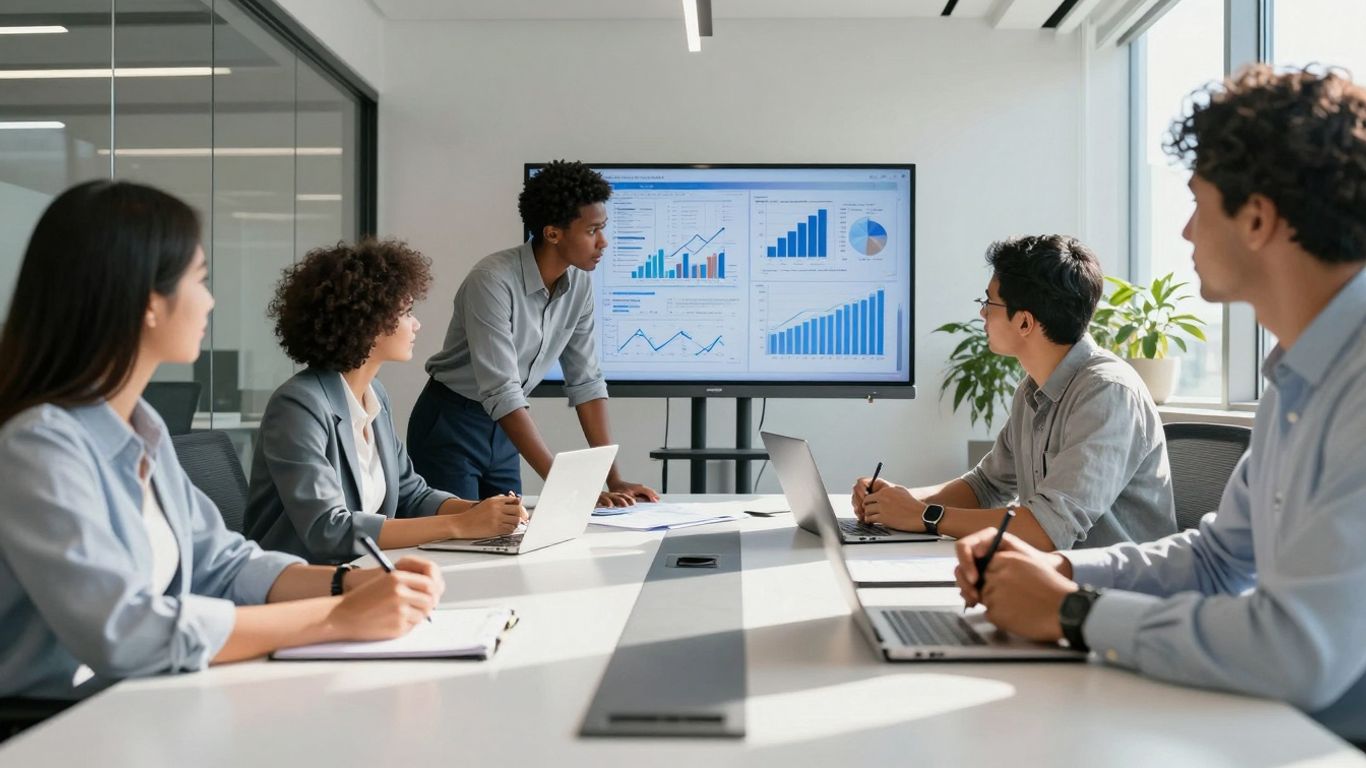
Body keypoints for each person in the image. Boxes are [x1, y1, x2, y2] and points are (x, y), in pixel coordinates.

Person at [952, 64, 1366, 746]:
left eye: (1199, 203)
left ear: (1256, 218)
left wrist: (1074, 612)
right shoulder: (1297, 381)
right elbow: (1217, 561)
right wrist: (1059, 572)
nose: (1185, 232)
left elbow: (1299, 651)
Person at [0, 181, 444, 703]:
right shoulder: (38, 447)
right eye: (200, 278)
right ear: (148, 302)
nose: (210, 300)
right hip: (60, 722)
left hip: (148, 699)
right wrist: (334, 617)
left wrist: (346, 585)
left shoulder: (141, 426)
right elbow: (126, 632)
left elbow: (223, 562)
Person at [852, 235, 1177, 550]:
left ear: (1024, 323)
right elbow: (986, 486)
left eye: (989, 302)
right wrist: (897, 501)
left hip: (1110, 586)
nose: (982, 313)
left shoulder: (1108, 393)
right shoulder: (1032, 390)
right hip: (1053, 576)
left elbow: (1047, 529)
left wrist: (925, 516)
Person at [244, 239, 527, 564]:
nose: (416, 324)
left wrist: (481, 511)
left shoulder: (375, 395)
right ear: (366, 321)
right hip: (300, 581)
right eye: (406, 312)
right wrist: (460, 525)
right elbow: (328, 529)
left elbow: (411, 494)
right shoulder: (298, 405)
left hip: (361, 571)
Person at [408, 160, 658, 508]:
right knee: (459, 534)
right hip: (452, 424)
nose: (603, 242)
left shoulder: (579, 285)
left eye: (603, 229)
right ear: (553, 233)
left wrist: (613, 478)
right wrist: (566, 487)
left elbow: (586, 382)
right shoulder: (491, 281)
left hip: (506, 428)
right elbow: (501, 390)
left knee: (513, 531)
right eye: (592, 231)